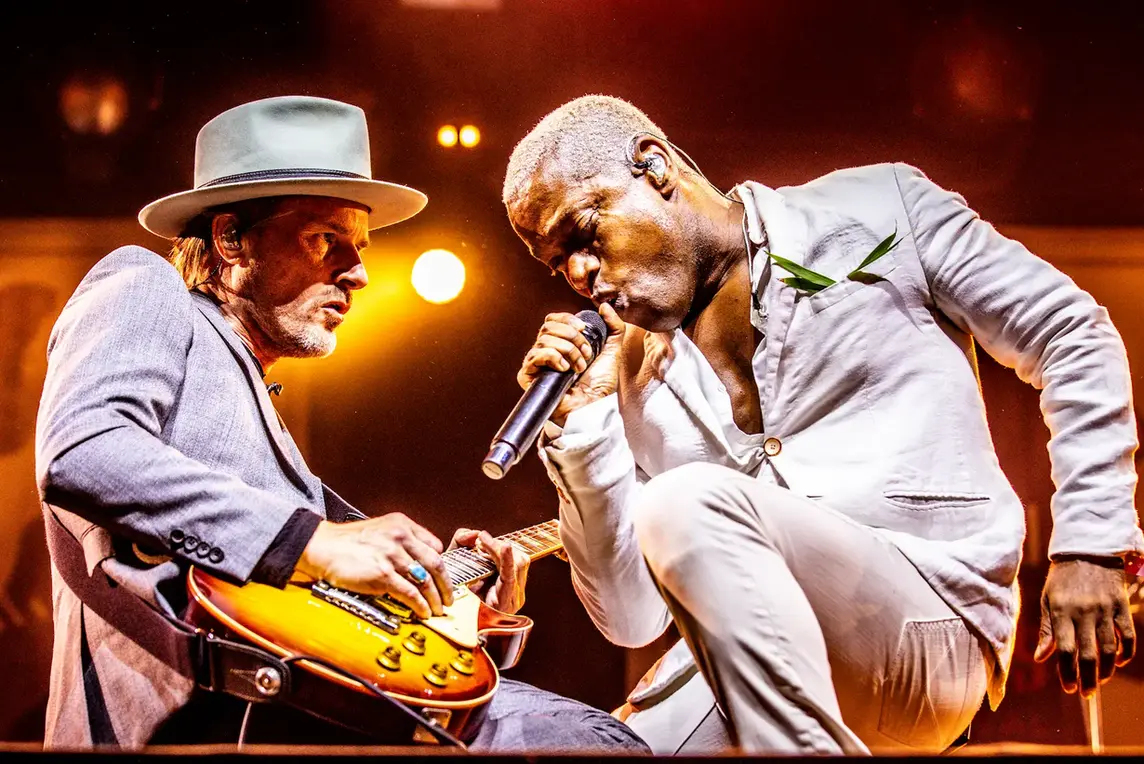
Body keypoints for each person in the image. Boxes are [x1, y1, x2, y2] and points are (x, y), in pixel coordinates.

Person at [501, 94, 1142, 755]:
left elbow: (1070, 333)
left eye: (584, 234)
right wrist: (582, 425)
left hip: (927, 622)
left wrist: (1093, 545)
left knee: (680, 500)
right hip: (757, 664)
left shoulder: (876, 211)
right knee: (593, 749)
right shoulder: (628, 374)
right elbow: (632, 621)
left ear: (655, 167)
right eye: (558, 265)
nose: (579, 274)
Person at [36, 95, 648, 754]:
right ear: (231, 239)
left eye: (360, 247)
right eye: (327, 239)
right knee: (598, 742)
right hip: (179, 726)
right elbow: (85, 449)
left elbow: (303, 615)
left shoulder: (257, 414)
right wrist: (312, 543)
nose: (358, 274)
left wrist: (460, 606)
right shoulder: (142, 283)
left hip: (279, 718)